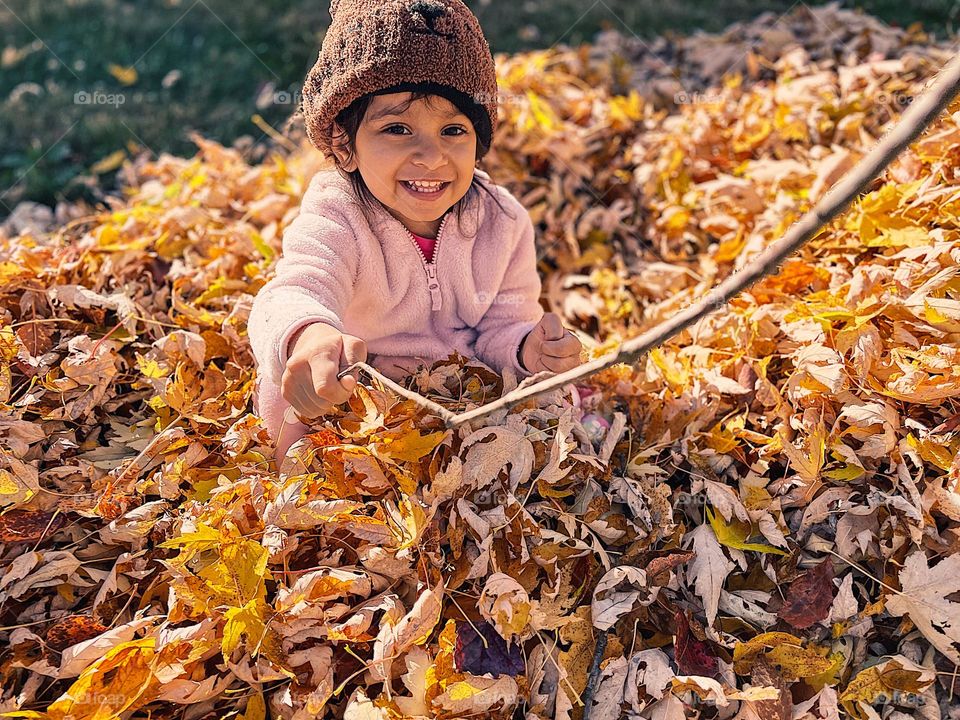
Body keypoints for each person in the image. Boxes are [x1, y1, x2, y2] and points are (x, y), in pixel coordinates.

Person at [247, 0, 584, 461]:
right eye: (399, 129)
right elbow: (296, 290)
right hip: (358, 386)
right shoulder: (338, 213)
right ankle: (305, 484)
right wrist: (310, 337)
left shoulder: (502, 222)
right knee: (293, 395)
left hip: (459, 390)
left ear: (478, 143)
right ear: (346, 146)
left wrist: (528, 348)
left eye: (453, 131)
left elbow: (503, 324)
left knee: (559, 395)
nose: (431, 156)